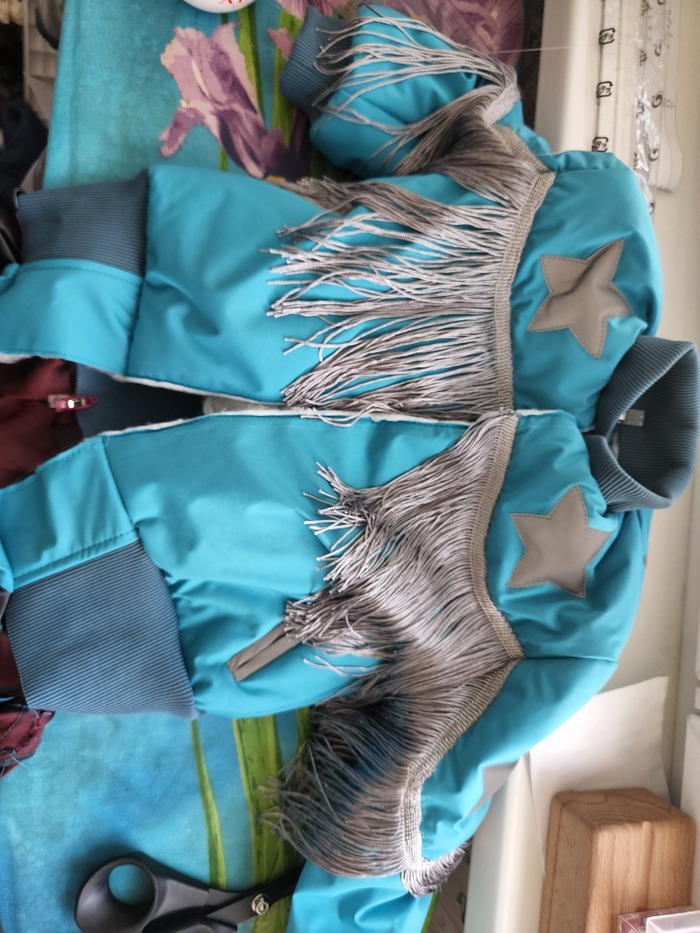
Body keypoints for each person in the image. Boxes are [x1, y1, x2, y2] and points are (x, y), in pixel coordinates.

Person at [0, 3, 696, 918]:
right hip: (112, 293)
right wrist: (331, 51)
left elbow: (419, 809)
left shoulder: (574, 616)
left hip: (126, 590)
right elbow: (455, 112)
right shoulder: (589, 225)